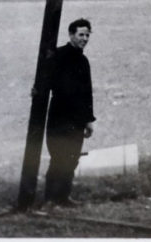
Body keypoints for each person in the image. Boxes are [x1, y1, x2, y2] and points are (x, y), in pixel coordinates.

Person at [43, 19, 95, 207]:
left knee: (72, 158)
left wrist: (89, 120)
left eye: (87, 35)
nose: (85, 38)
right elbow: (45, 82)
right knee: (58, 157)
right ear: (71, 35)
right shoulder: (58, 55)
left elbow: (87, 92)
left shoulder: (83, 61)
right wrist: (36, 90)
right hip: (59, 116)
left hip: (78, 119)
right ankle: (50, 198)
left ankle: (63, 197)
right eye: (81, 34)